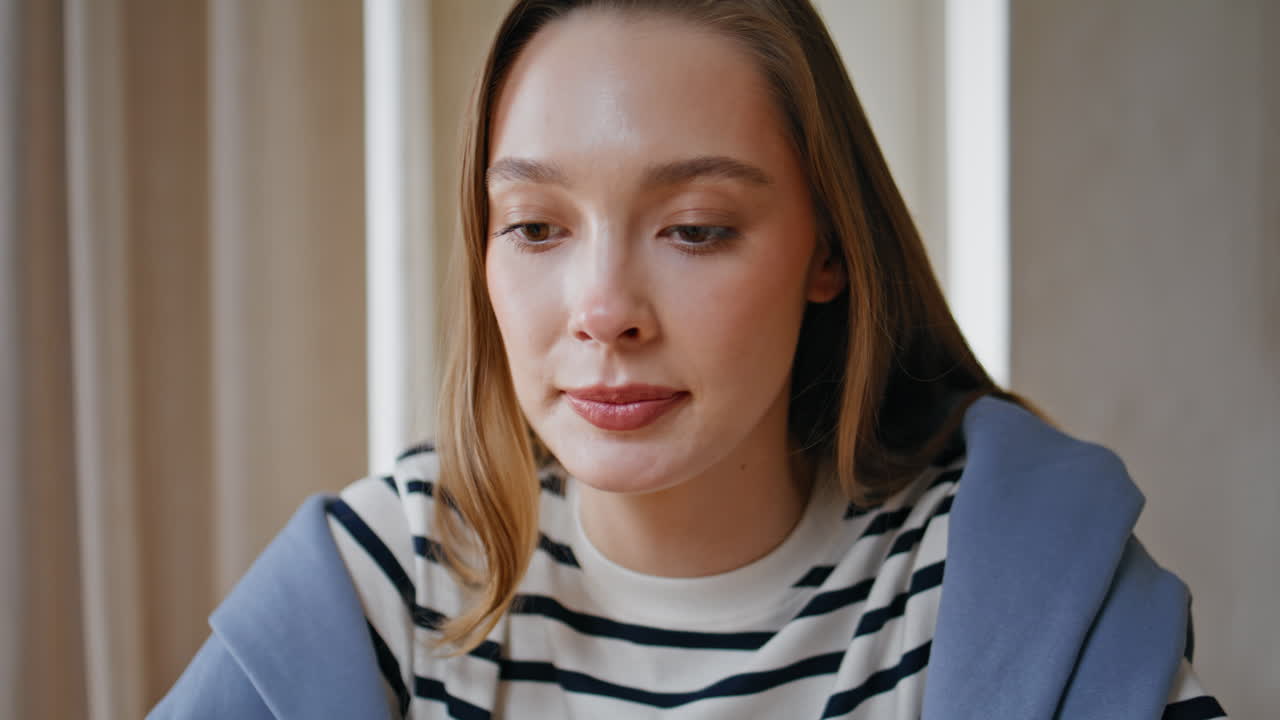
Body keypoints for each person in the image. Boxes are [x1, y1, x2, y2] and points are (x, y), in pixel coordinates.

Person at [152, 1, 1228, 718]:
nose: (604, 310)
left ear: (827, 251)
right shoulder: (390, 580)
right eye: (535, 227)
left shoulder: (1001, 582)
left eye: (695, 228)